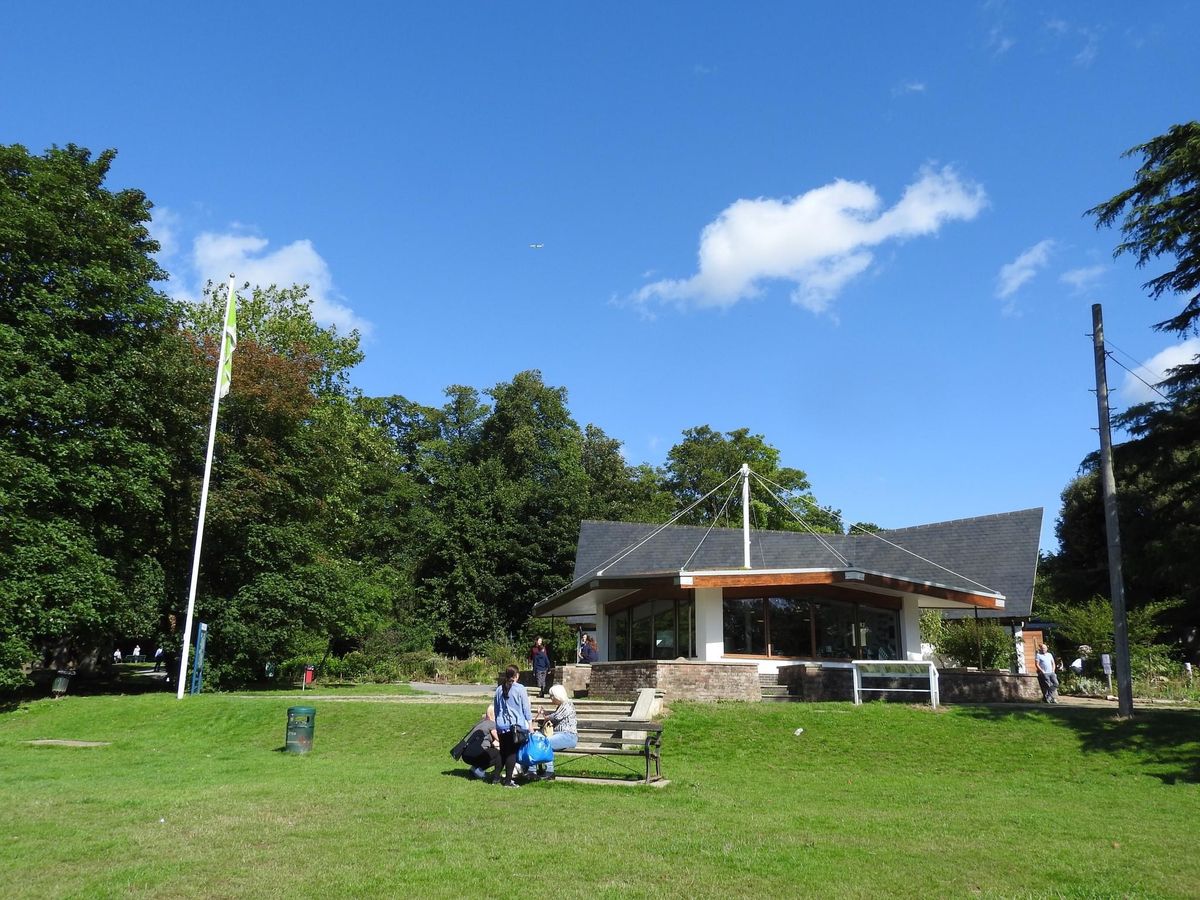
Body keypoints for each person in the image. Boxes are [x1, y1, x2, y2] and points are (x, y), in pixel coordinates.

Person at [493, 664, 532, 788]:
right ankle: (508, 781)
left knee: (503, 751)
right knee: (511, 753)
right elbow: (526, 707)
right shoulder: (520, 688)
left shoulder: (499, 689)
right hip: (514, 726)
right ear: (517, 676)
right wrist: (530, 723)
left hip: (500, 725)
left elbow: (496, 708)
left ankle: (495, 778)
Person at [533, 684, 578, 781]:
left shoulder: (567, 704)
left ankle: (549, 772)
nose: (551, 698)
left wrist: (545, 714)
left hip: (568, 736)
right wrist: (545, 713)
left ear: (558, 695)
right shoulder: (561, 706)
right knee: (537, 740)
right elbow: (554, 716)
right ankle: (535, 770)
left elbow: (556, 717)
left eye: (552, 696)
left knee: (546, 743)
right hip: (559, 735)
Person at [451, 706, 501, 780]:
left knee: (492, 752)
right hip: (477, 754)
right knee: (499, 754)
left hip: (465, 755)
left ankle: (474, 769)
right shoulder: (491, 724)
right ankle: (495, 777)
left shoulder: (480, 722)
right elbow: (498, 738)